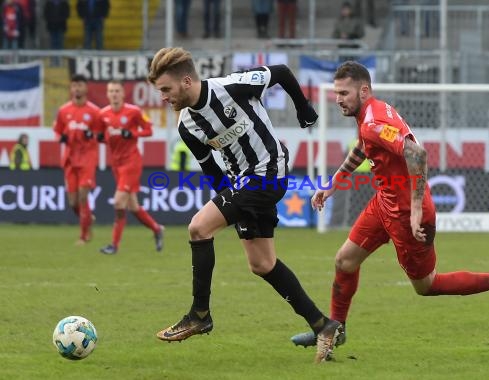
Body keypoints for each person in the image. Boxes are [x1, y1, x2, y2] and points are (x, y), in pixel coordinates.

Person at [290, 61, 489, 348]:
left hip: (407, 215)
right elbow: (364, 146)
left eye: (344, 93)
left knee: (427, 286)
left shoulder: (375, 122)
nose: (338, 99)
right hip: (384, 203)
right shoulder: (370, 115)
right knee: (344, 260)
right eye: (337, 93)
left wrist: (415, 210)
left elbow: (418, 153)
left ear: (363, 91)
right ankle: (334, 330)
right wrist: (333, 183)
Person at [147, 47, 343, 363]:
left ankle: (200, 314)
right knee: (262, 264)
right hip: (244, 184)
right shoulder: (187, 125)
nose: (163, 97)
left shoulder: (231, 86)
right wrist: (232, 207)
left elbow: (279, 71)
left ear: (186, 81)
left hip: (269, 171)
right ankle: (323, 325)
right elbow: (212, 171)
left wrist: (302, 107)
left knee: (198, 227)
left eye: (166, 89)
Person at [98, 80, 165, 255]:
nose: (114, 94)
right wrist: (98, 137)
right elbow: (103, 136)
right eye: (111, 91)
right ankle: (157, 229)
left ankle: (114, 245)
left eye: (117, 91)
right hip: (116, 163)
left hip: (131, 162)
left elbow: (149, 130)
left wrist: (131, 133)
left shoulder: (134, 112)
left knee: (119, 201)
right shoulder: (102, 114)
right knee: (133, 206)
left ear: (122, 93)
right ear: (107, 94)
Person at [53, 74, 101, 245]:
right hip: (69, 160)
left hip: (87, 158)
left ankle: (84, 236)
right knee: (73, 202)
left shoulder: (95, 112)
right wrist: (61, 137)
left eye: (80, 85)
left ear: (85, 88)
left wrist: (93, 135)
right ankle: (88, 218)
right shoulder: (64, 111)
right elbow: (57, 130)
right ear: (71, 88)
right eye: (74, 85)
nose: (77, 89)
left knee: (82, 197)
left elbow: (102, 135)